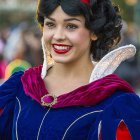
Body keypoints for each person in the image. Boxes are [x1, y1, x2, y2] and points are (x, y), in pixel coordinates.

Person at [0, 0, 140, 139]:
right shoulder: (20, 86)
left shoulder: (115, 103)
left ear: (94, 31)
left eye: (71, 26)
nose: (58, 36)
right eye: (50, 24)